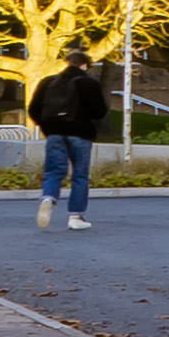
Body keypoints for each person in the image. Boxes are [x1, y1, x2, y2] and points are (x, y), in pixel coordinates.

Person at [25, 42, 107, 228]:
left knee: (53, 172)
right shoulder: (89, 83)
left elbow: (34, 109)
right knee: (79, 174)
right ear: (84, 65)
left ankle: (48, 198)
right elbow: (99, 112)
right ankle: (75, 217)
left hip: (54, 134)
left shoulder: (48, 82)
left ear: (67, 63)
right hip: (80, 134)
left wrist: (48, 127)